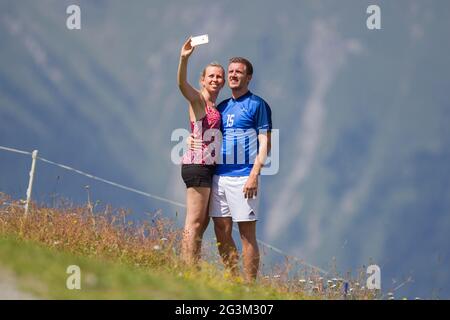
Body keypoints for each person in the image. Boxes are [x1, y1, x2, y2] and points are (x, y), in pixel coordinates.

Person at [203, 57, 272, 282]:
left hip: (244, 177)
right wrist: (191, 142)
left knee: (246, 235)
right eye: (230, 71)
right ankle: (234, 282)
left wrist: (255, 174)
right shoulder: (222, 106)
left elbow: (265, 142)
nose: (232, 75)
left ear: (248, 77)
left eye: (238, 72)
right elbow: (207, 133)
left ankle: (249, 288)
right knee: (221, 231)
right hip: (219, 176)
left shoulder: (257, 104)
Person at [177, 37, 225, 265]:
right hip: (197, 165)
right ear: (203, 81)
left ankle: (192, 266)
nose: (215, 79)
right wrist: (183, 59)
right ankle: (187, 269)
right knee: (194, 222)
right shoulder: (199, 101)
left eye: (219, 76)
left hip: (206, 166)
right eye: (211, 76)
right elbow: (182, 86)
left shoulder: (215, 106)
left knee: (202, 222)